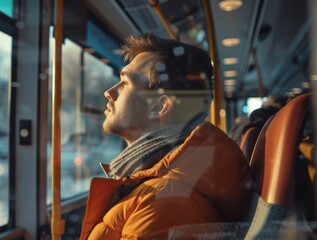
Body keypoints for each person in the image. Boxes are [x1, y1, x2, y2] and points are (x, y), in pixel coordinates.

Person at [79, 33, 252, 239]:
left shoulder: (161, 204)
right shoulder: (160, 185)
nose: (109, 92)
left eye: (125, 82)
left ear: (160, 107)